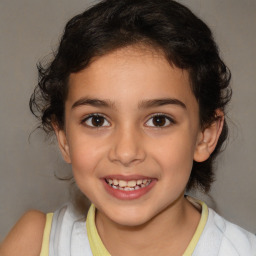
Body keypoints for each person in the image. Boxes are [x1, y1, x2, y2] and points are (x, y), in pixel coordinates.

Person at [0, 0, 255, 255]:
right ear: (64, 138)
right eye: (97, 120)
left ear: (205, 135)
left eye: (159, 120)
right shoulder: (33, 244)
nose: (125, 152)